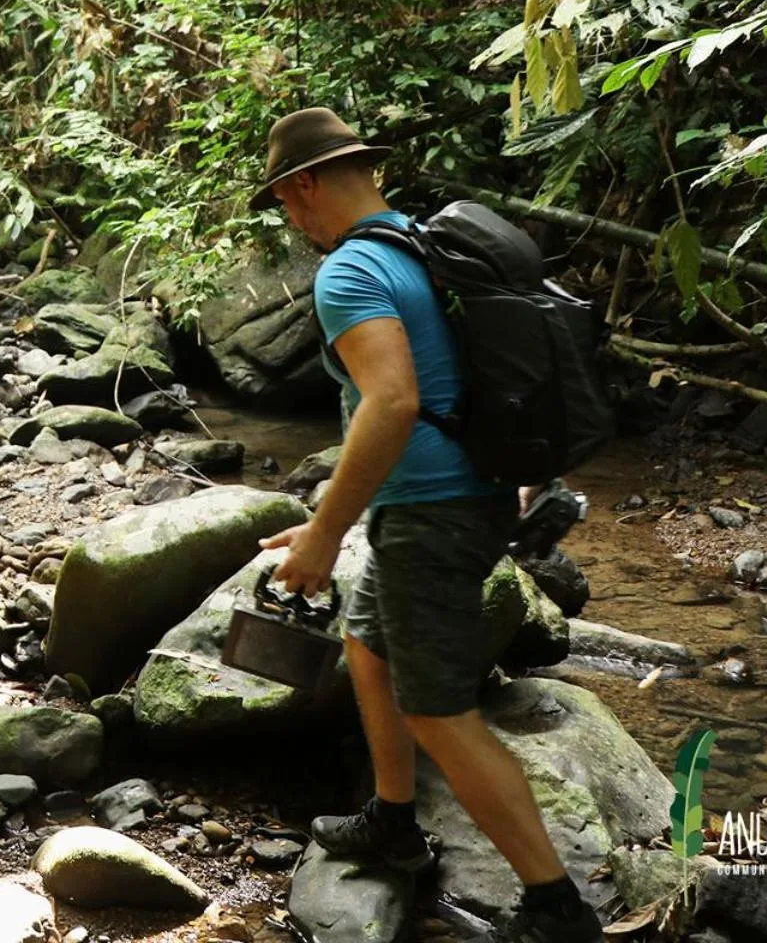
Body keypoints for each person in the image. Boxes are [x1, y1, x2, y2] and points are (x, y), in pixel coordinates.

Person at [250, 107, 603, 943]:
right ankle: (394, 822)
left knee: (440, 711)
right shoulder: (423, 248)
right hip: (462, 495)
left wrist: (322, 536)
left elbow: (395, 401)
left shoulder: (349, 275)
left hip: (432, 517)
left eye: (285, 204)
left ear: (304, 187)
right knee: (369, 646)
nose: (291, 222)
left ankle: (556, 907)